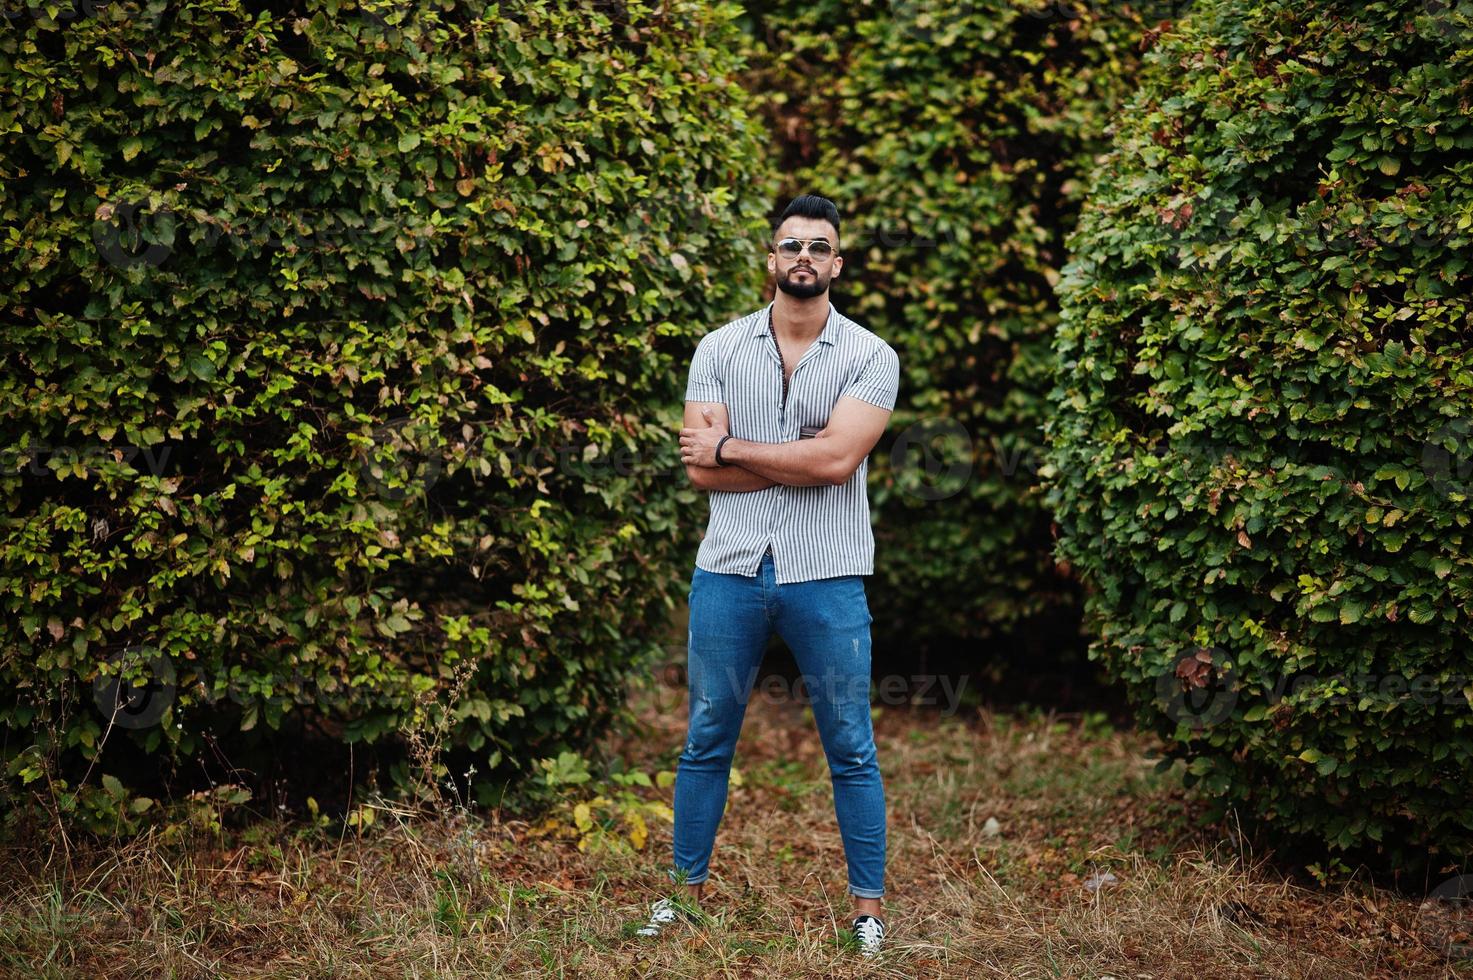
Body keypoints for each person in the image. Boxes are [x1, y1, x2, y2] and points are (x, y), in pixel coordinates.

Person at [636, 194, 900, 959]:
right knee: (706, 735)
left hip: (828, 574)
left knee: (849, 742)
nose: (804, 258)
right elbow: (702, 475)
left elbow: (837, 461)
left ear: (837, 263)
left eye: (819, 247)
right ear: (771, 258)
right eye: (791, 245)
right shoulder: (716, 349)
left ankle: (866, 912)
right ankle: (683, 897)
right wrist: (790, 457)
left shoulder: (869, 355)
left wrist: (733, 449)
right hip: (729, 570)